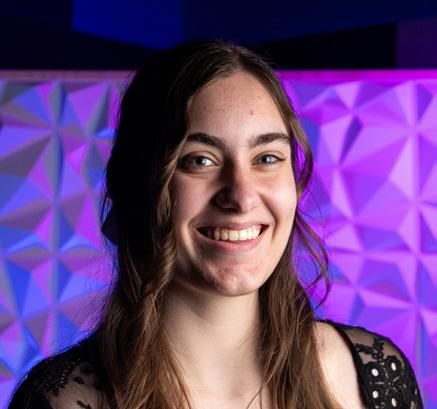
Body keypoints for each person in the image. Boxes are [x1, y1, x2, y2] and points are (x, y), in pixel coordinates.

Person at [8, 41, 423, 409]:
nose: (241, 196)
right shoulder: (66, 401)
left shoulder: (375, 376)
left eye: (267, 158)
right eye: (200, 160)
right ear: (138, 184)